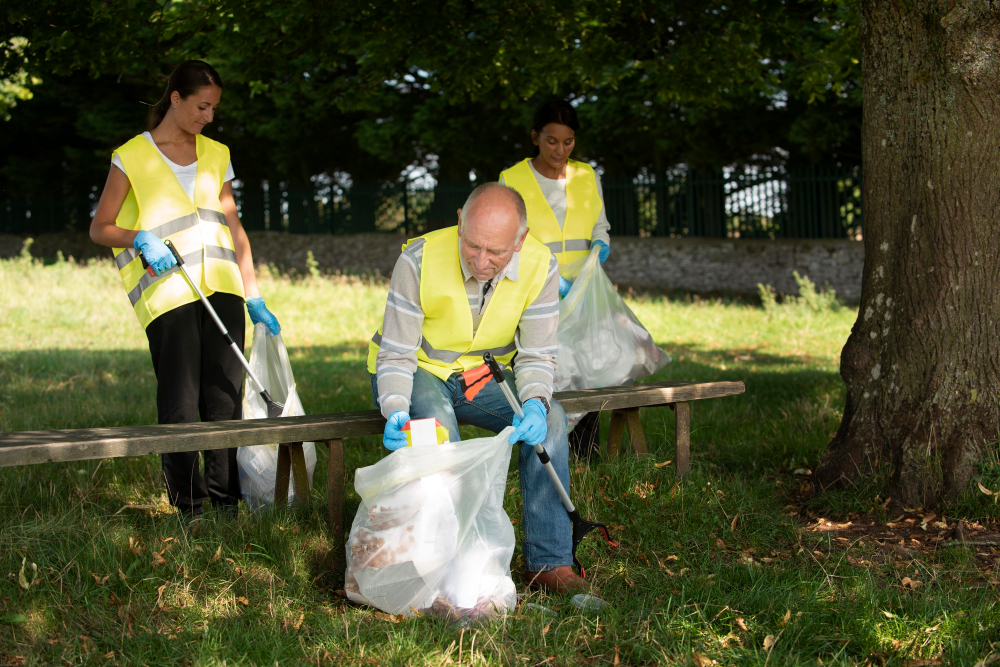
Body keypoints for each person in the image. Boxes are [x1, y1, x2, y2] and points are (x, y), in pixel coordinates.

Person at [367, 183, 591, 593]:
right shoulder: (416, 259)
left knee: (554, 421)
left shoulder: (542, 266)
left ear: (520, 240)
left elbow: (537, 355)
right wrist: (395, 406)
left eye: (496, 252)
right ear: (459, 222)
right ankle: (446, 570)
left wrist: (537, 403)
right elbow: (397, 353)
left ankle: (549, 562)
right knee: (438, 430)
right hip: (417, 372)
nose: (481, 260)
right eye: (471, 246)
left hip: (483, 379)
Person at [89, 60, 280, 523]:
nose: (208, 117)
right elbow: (100, 227)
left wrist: (252, 292)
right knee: (181, 399)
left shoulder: (217, 154)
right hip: (169, 293)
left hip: (223, 288)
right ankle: (189, 510)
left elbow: (234, 227)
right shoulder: (131, 155)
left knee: (224, 397)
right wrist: (137, 237)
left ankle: (225, 505)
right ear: (175, 99)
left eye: (213, 108)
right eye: (201, 106)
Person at [499, 100, 612, 457]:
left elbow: (600, 223)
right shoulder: (512, 179)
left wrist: (600, 243)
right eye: (551, 141)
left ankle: (584, 451)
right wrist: (553, 282)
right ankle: (542, 447)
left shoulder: (586, 175)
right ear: (535, 137)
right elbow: (508, 236)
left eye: (568, 142)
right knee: (546, 364)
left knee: (588, 364)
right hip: (537, 289)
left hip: (583, 288)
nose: (560, 150)